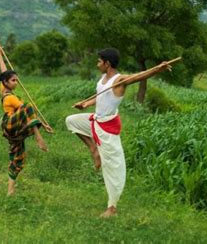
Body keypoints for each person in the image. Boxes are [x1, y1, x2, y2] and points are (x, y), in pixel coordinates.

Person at [66, 48, 171, 217]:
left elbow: (138, 76)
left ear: (107, 63)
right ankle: (94, 150)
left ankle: (112, 208)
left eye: (100, 61)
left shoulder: (119, 79)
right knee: (71, 121)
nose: (97, 63)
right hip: (96, 120)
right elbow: (101, 96)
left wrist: (158, 69)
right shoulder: (103, 78)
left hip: (108, 127)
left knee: (112, 168)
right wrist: (86, 104)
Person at [0, 41, 52, 196]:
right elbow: (27, 112)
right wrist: (40, 129)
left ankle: (10, 190)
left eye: (16, 80)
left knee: (18, 159)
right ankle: (38, 138)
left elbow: (3, 71)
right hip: (11, 124)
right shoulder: (11, 98)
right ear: (6, 82)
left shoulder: (3, 89)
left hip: (13, 131)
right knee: (27, 106)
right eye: (13, 80)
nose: (16, 82)